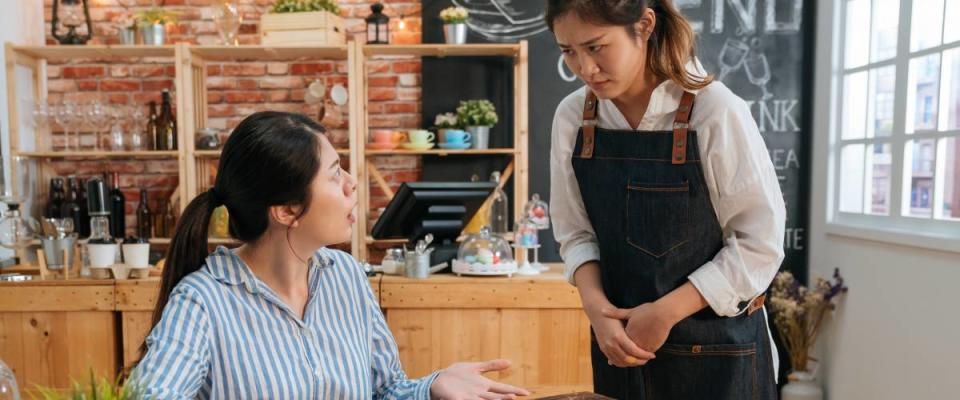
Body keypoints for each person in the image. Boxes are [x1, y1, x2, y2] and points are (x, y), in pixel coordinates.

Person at [132, 111, 529, 399]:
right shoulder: (202, 301)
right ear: (287, 210)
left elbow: (385, 390)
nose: (352, 183)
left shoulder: (346, 275)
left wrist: (431, 387)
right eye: (335, 172)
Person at [546, 0, 786, 398]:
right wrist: (595, 308)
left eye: (596, 47)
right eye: (568, 51)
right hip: (622, 350)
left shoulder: (714, 109)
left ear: (644, 25)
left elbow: (759, 244)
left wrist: (665, 312)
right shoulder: (573, 117)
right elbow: (575, 234)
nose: (584, 69)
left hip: (720, 353)